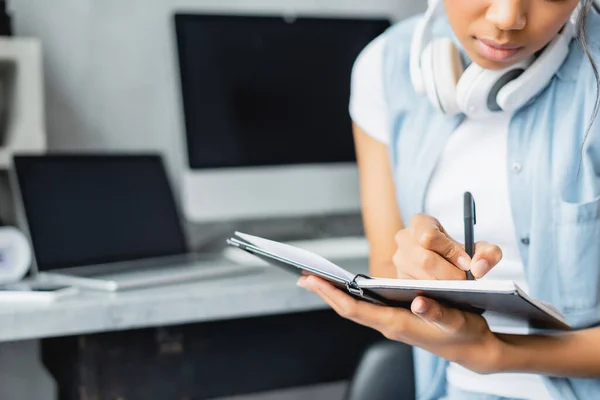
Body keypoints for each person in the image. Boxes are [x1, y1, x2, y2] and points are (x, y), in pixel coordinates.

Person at [296, 0, 600, 399]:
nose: (507, 18)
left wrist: (496, 353)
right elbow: (387, 265)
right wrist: (419, 273)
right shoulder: (386, 68)